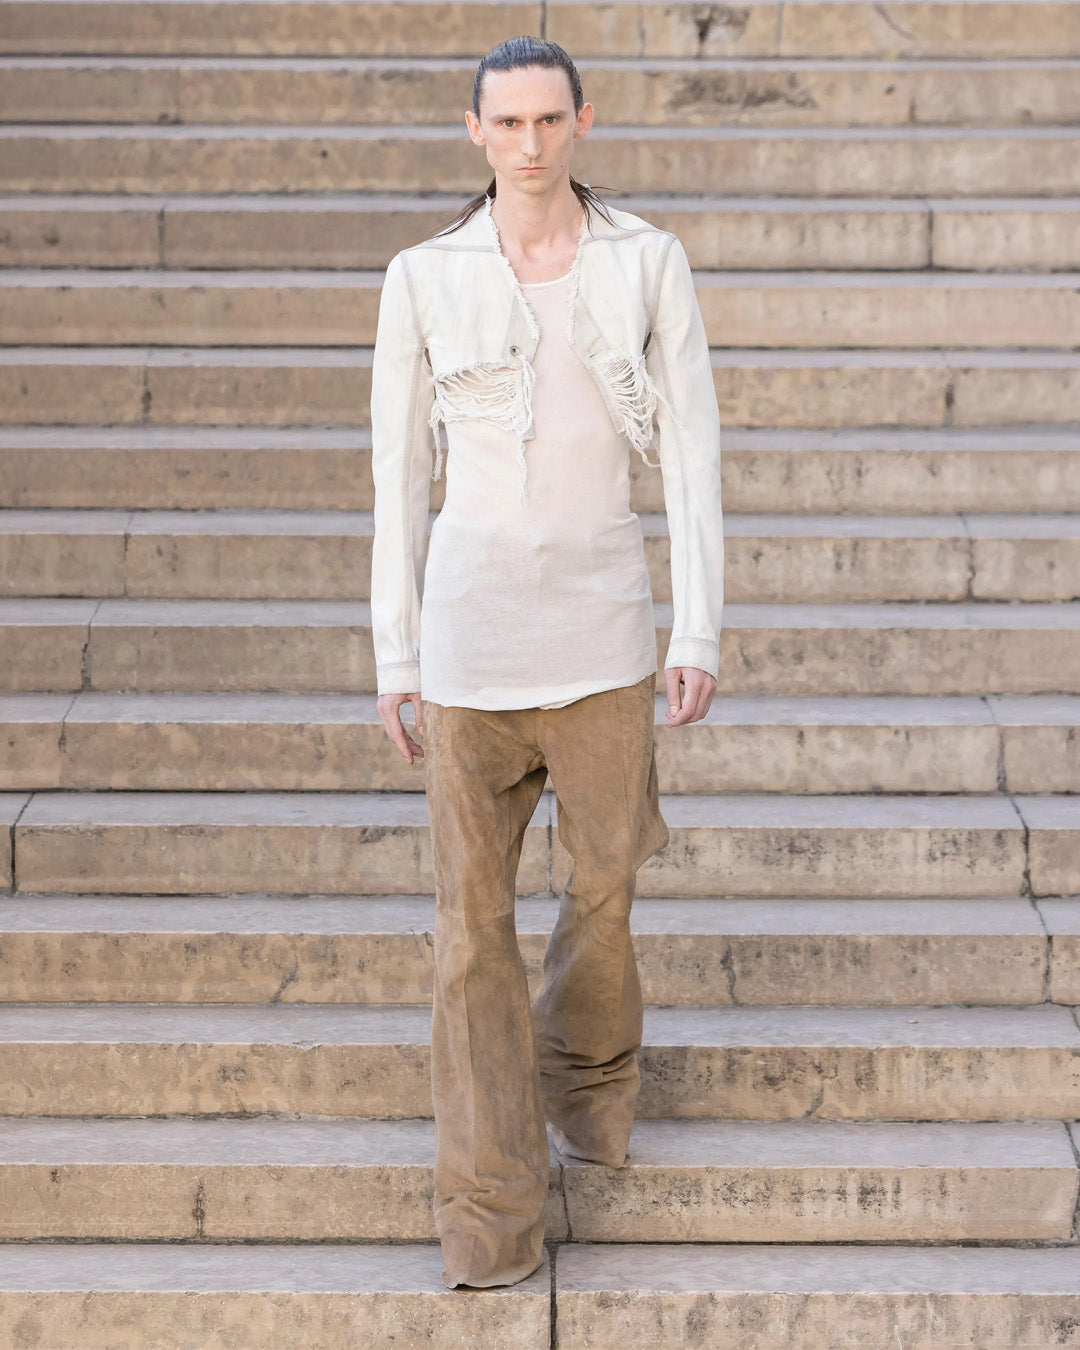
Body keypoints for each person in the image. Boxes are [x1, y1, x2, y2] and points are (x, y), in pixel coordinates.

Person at [369, 35, 724, 1289]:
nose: (528, 145)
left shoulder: (646, 261)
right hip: (470, 648)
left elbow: (692, 452)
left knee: (607, 887)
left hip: (605, 636)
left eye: (548, 120)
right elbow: (397, 477)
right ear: (474, 131)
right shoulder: (423, 276)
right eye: (507, 123)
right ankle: (488, 1217)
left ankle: (587, 1080)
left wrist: (696, 629)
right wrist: (397, 654)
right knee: (470, 937)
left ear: (583, 122)